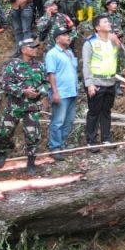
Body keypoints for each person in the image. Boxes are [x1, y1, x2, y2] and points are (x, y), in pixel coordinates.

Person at [0, 38, 49, 174]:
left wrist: (38, 92)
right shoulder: (13, 65)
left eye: (36, 47)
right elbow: (5, 84)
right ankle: (2, 153)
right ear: (23, 50)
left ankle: (31, 161)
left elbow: (46, 83)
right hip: (14, 107)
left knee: (32, 135)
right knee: (4, 132)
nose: (36, 49)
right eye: (32, 47)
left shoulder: (40, 66)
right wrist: (23, 91)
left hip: (32, 107)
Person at [82, 16, 123, 151]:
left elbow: (124, 56)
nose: (109, 23)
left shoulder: (112, 41)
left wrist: (117, 42)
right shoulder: (90, 42)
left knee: (106, 111)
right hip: (96, 82)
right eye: (105, 22)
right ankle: (91, 141)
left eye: (108, 21)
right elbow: (86, 64)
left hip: (110, 82)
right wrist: (89, 84)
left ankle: (106, 139)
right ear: (97, 27)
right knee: (94, 112)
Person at [45, 27, 79, 160]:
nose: (68, 37)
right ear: (57, 38)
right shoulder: (52, 54)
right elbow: (51, 74)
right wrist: (55, 93)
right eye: (65, 35)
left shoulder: (69, 52)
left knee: (69, 121)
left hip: (71, 92)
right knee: (58, 121)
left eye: (68, 35)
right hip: (61, 93)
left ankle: (62, 144)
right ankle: (55, 148)